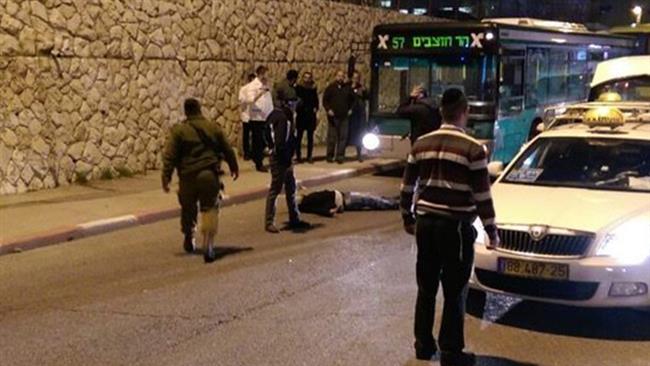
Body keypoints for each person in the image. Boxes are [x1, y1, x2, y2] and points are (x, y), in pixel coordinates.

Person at [400, 88, 499, 365]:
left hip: (425, 224)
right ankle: (451, 351)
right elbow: (482, 196)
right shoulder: (473, 148)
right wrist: (491, 231)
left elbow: (407, 186)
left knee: (426, 286)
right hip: (454, 227)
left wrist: (407, 218)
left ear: (441, 113)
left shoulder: (421, 144)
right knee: (455, 289)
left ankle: (423, 344)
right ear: (464, 113)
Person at [161, 98, 239, 263]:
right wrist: (234, 167)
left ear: (186, 111)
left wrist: (166, 177)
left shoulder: (179, 131)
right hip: (208, 175)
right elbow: (227, 149)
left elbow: (170, 156)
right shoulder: (212, 127)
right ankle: (208, 243)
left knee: (188, 208)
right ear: (199, 109)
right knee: (209, 208)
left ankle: (189, 234)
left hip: (187, 176)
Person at [264, 88, 311, 233]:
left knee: (290, 188)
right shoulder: (285, 118)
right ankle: (269, 222)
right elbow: (281, 141)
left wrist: (270, 147)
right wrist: (286, 159)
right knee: (275, 190)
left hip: (280, 157)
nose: (295, 104)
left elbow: (265, 131)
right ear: (288, 103)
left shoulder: (274, 114)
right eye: (294, 102)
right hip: (281, 160)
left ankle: (294, 217)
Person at [241, 65, 274, 172]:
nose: (268, 77)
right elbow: (250, 100)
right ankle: (258, 163)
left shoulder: (265, 85)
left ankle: (266, 160)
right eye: (266, 74)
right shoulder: (252, 86)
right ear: (261, 74)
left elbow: (268, 101)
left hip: (266, 116)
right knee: (258, 141)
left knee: (267, 140)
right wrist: (260, 92)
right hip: (257, 117)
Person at [323, 70, 355, 164]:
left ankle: (340, 156)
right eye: (339, 76)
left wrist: (351, 109)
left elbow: (354, 100)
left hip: (344, 116)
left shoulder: (348, 88)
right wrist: (328, 109)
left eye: (342, 76)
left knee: (343, 137)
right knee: (332, 137)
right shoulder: (330, 88)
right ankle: (330, 155)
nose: (340, 78)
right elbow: (325, 100)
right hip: (333, 117)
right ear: (336, 76)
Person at [297, 189, 398, 217]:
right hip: (345, 200)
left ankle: (393, 201)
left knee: (370, 198)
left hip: (344, 196)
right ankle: (394, 204)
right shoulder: (310, 201)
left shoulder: (309, 199)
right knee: (370, 200)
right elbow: (320, 209)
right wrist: (330, 211)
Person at [295, 71, 319, 164]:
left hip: (310, 116)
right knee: (299, 137)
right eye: (305, 77)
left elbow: (316, 101)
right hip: (301, 115)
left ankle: (309, 156)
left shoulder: (313, 89)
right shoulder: (299, 88)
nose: (307, 79)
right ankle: (298, 156)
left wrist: (316, 108)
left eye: (309, 78)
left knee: (310, 137)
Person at [348, 71, 369, 161]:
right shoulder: (348, 87)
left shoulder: (361, 88)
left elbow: (367, 97)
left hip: (360, 114)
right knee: (347, 133)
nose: (356, 79)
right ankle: (341, 154)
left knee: (360, 134)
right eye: (354, 77)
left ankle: (359, 153)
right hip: (350, 113)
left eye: (357, 78)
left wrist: (365, 91)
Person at [238, 72, 257, 160]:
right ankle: (246, 153)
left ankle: (254, 152)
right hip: (246, 115)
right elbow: (241, 100)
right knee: (246, 135)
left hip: (255, 116)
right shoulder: (243, 89)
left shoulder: (257, 90)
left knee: (255, 135)